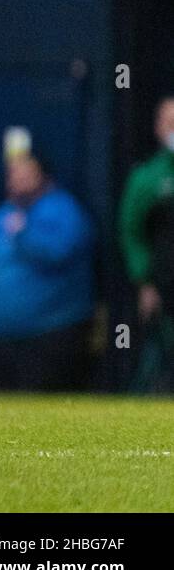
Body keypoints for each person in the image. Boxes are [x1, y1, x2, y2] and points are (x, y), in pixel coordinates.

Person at [0, 152, 94, 392]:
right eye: (13, 173)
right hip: (0, 337)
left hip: (49, 334)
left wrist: (24, 235)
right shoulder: (0, 215)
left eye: (25, 173)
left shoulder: (63, 209)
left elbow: (59, 253)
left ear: (45, 177)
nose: (17, 179)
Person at [118, 96, 174, 390]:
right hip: (166, 286)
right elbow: (131, 232)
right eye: (170, 123)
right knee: (158, 357)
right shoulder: (147, 179)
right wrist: (144, 282)